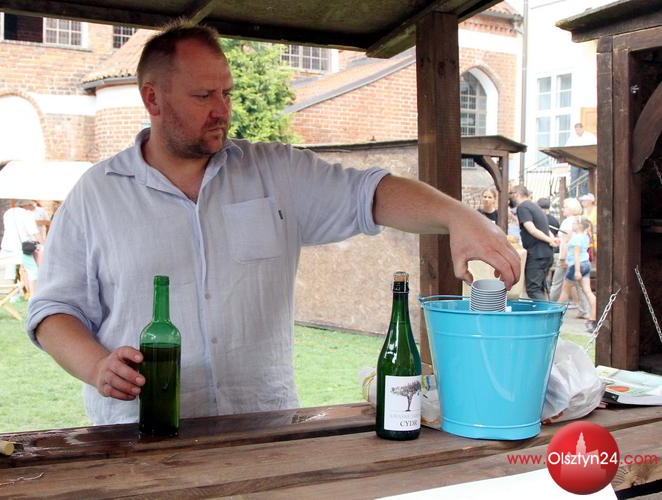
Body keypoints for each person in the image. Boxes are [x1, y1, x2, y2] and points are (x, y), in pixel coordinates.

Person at [26, 22, 521, 425]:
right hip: (139, 434)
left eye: (226, 92)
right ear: (152, 99)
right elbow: (53, 311)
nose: (222, 110)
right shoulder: (96, 194)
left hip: (263, 428)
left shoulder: (276, 172)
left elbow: (371, 193)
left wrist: (457, 216)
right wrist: (97, 366)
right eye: (203, 96)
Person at [509, 185, 557, 300]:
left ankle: (544, 310)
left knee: (533, 289)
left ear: (517, 194)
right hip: (546, 253)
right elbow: (546, 228)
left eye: (511, 194)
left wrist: (550, 240)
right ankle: (546, 309)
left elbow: (532, 229)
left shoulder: (522, 208)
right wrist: (551, 239)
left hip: (537, 254)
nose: (510, 197)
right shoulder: (535, 207)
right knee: (541, 287)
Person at [549, 197, 589, 318]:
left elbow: (565, 242)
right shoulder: (580, 221)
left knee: (557, 283)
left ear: (571, 208)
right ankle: (585, 309)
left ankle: (551, 306)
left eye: (565, 207)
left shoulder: (567, 222)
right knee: (580, 286)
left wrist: (562, 258)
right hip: (580, 259)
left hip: (569, 258)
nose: (563, 209)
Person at [557, 217, 597, 332]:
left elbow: (576, 254)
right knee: (588, 291)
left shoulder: (576, 239)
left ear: (579, 225)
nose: (572, 225)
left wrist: (577, 270)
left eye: (574, 223)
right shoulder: (585, 237)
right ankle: (593, 318)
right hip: (586, 264)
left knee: (565, 291)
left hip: (577, 265)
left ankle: (554, 314)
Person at [1, 200, 43, 299]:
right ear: (26, 205)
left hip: (7, 246)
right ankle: (33, 295)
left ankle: (12, 296)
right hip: (21, 247)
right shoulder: (27, 215)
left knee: (11, 272)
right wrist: (44, 244)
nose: (33, 207)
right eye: (31, 205)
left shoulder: (8, 213)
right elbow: (34, 232)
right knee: (32, 270)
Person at [565, 123, 596, 197]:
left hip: (586, 161)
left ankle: (583, 197)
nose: (577, 132)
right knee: (573, 180)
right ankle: (572, 197)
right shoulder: (572, 138)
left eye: (578, 130)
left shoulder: (590, 137)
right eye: (576, 130)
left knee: (584, 180)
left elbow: (595, 147)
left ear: (582, 128)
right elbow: (566, 148)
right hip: (574, 161)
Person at [537, 197, 559, 293]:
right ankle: (547, 288)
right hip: (551, 250)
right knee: (548, 272)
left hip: (540, 250)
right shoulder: (554, 220)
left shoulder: (538, 219)